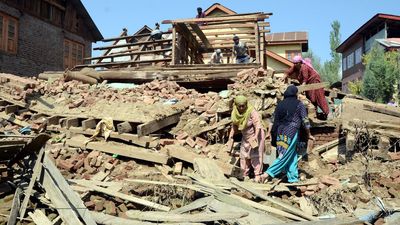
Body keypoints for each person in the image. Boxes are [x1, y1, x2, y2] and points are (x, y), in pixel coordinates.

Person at [260, 85, 314, 183]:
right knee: (284, 154)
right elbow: (305, 121)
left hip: (280, 132)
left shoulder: (280, 104)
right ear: (295, 94)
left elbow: (272, 120)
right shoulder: (299, 104)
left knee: (292, 154)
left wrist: (269, 133)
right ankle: (267, 173)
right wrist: (309, 134)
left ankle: (293, 178)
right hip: (291, 131)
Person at [227, 95, 265, 182]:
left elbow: (257, 124)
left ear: (246, 104)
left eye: (243, 106)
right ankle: (244, 174)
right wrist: (230, 137)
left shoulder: (251, 111)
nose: (241, 108)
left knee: (255, 155)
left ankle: (257, 175)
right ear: (236, 106)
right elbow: (234, 126)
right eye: (239, 106)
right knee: (243, 155)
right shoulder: (235, 113)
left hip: (257, 135)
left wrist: (255, 136)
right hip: (245, 136)